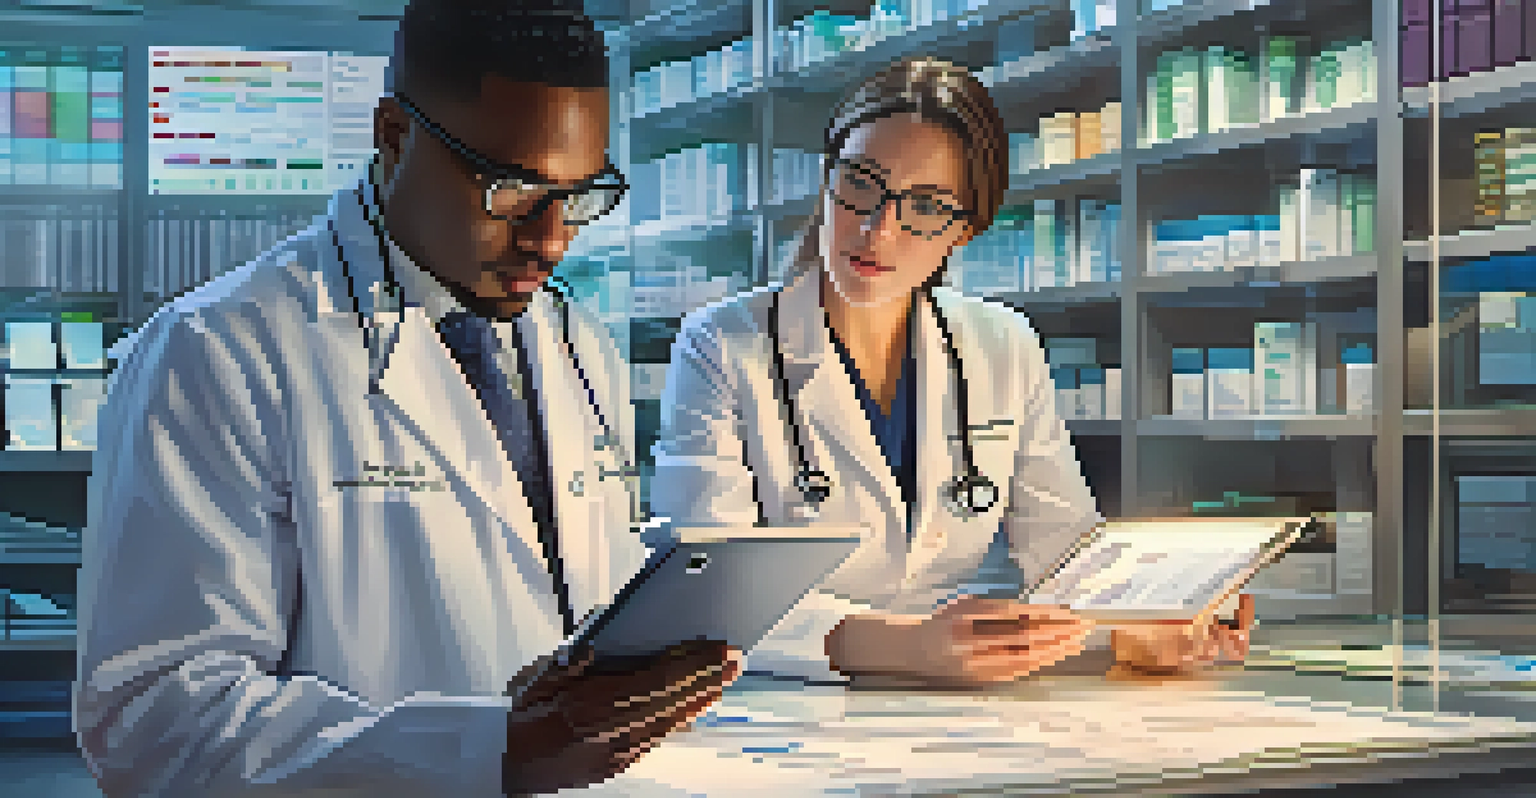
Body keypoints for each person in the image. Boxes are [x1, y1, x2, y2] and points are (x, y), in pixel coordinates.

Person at [74, 1, 738, 795]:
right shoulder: (220, 350)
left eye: (580, 193)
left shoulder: (576, 341)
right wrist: (484, 750)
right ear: (393, 136)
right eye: (513, 190)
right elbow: (156, 720)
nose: (552, 239)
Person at [650, 56, 1252, 687]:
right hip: (780, 700)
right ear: (827, 176)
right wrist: (905, 646)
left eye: (926, 206)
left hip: (956, 704)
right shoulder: (724, 344)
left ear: (965, 230)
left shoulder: (1003, 344)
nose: (877, 228)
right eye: (860, 182)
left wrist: (1143, 629)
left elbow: (1067, 554)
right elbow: (705, 593)